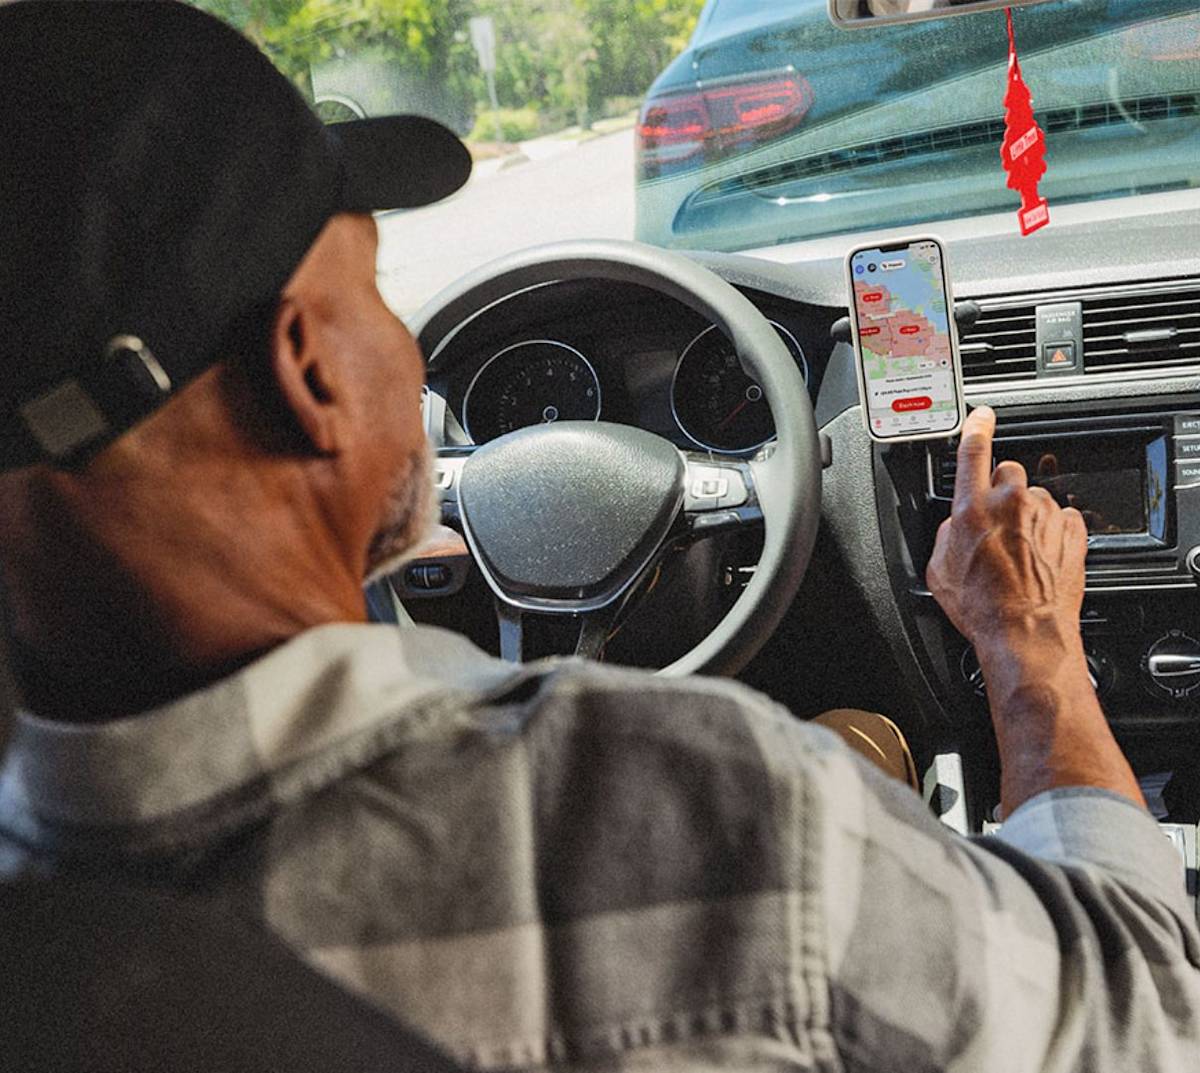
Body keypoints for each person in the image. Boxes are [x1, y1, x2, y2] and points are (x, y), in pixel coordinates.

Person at [0, 3, 1196, 1071]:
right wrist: (1030, 647)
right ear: (308, 369)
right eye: (370, 294)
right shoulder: (702, 811)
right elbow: (1137, 1006)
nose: (409, 356)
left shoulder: (42, 935)